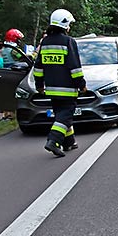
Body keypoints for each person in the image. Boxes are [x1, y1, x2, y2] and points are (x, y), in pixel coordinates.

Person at [33, 9, 86, 157]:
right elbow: (75, 67)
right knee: (65, 116)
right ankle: (53, 141)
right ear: (65, 24)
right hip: (67, 89)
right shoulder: (69, 42)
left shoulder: (45, 43)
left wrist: (39, 85)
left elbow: (38, 67)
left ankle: (69, 142)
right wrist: (81, 84)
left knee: (60, 115)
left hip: (51, 89)